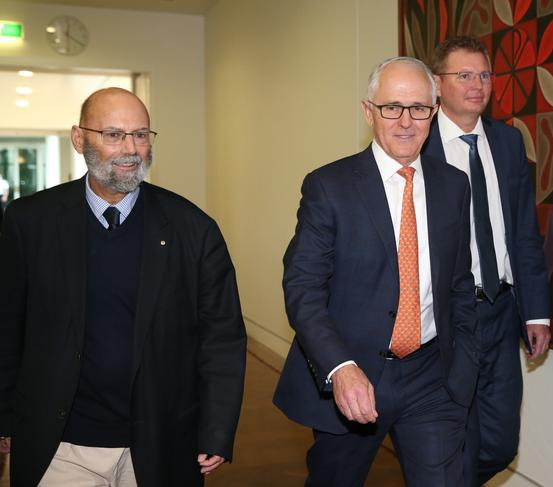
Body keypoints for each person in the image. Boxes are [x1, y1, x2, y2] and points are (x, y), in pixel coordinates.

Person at [0, 87, 247, 487]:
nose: (131, 148)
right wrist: (4, 414)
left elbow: (222, 338)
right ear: (79, 139)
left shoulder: (193, 228)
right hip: (60, 444)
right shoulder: (30, 221)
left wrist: (216, 428)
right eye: (113, 135)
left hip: (159, 442)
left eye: (141, 134)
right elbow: (8, 325)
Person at [274, 57, 479, 486]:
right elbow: (303, 287)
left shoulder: (453, 185)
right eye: (392, 107)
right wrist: (340, 367)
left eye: (418, 108)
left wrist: (461, 364)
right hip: (355, 373)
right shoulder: (329, 187)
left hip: (431, 376)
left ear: (435, 112)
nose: (406, 121)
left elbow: (459, 283)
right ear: (369, 111)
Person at [423, 36, 551, 486]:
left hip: (501, 311)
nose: (477, 85)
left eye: (483, 75)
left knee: (498, 445)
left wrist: (535, 310)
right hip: (450, 319)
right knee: (454, 437)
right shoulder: (418, 147)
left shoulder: (509, 142)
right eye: (463, 75)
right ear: (438, 85)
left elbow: (524, 234)